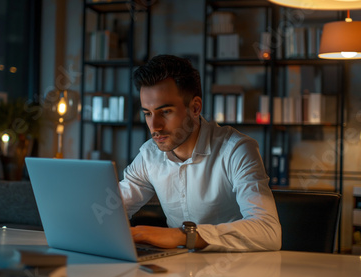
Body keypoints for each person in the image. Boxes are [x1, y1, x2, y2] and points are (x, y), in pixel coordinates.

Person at [119, 54, 281, 252]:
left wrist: (182, 235)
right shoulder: (149, 155)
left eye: (166, 112)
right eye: (147, 113)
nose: (155, 127)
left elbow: (268, 231)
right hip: (178, 268)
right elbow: (111, 208)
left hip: (236, 269)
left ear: (195, 107)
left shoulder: (237, 150)